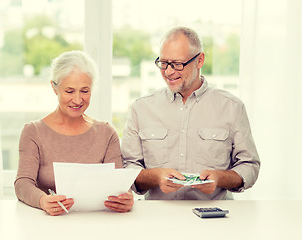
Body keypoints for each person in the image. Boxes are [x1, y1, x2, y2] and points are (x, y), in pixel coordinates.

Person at [121, 26, 260, 200]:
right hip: (158, 218)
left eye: (177, 64)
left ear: (200, 60)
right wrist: (156, 176)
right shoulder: (141, 108)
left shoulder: (232, 107)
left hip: (213, 218)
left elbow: (250, 166)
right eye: (163, 63)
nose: (169, 72)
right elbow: (127, 168)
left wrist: (219, 178)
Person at [15, 50, 133, 215]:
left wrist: (126, 198)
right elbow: (23, 184)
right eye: (69, 91)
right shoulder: (33, 132)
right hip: (48, 224)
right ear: (54, 88)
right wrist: (43, 201)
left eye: (84, 91)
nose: (77, 100)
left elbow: (119, 186)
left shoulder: (107, 133)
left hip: (97, 223)